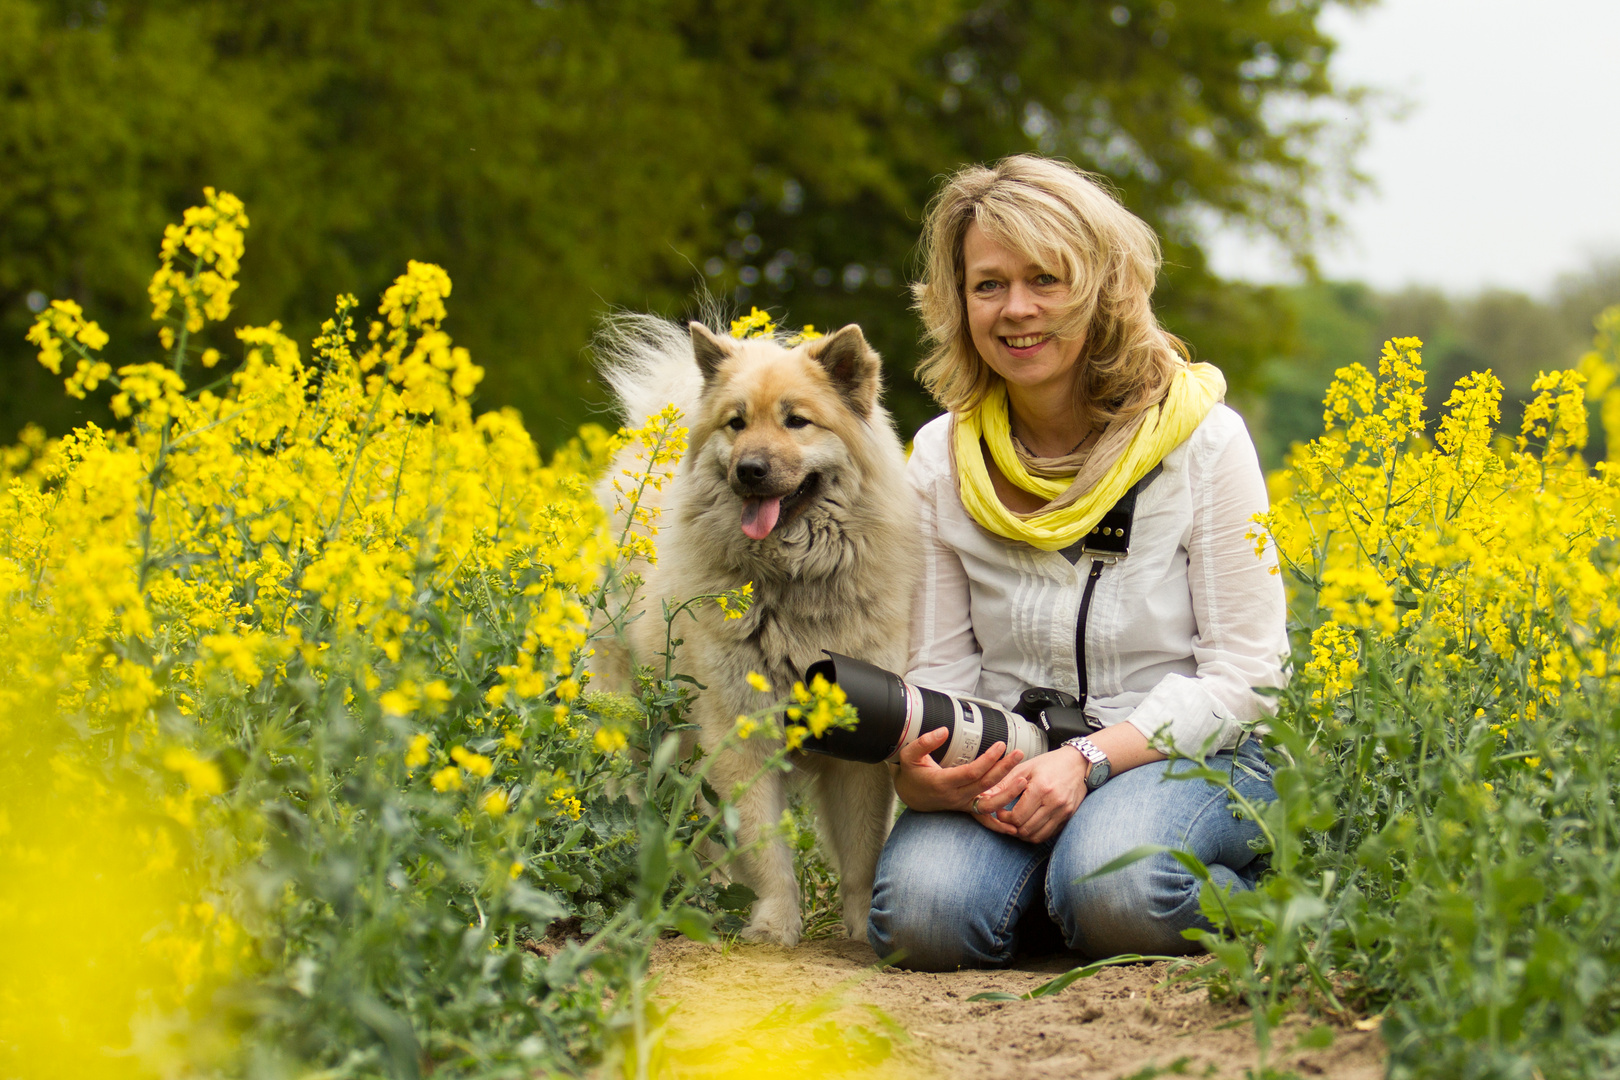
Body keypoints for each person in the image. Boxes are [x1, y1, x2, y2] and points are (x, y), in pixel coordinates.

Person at [866, 156, 1288, 971]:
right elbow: (943, 669)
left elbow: (1248, 676)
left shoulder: (1203, 440)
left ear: (1103, 286)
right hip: (1013, 758)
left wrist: (1090, 760)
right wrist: (918, 777)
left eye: (1046, 279)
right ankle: (1071, 892)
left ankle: (1255, 893)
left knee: (1125, 890)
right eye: (988, 285)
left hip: (1185, 751)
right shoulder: (939, 456)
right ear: (959, 302)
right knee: (921, 919)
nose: (1016, 309)